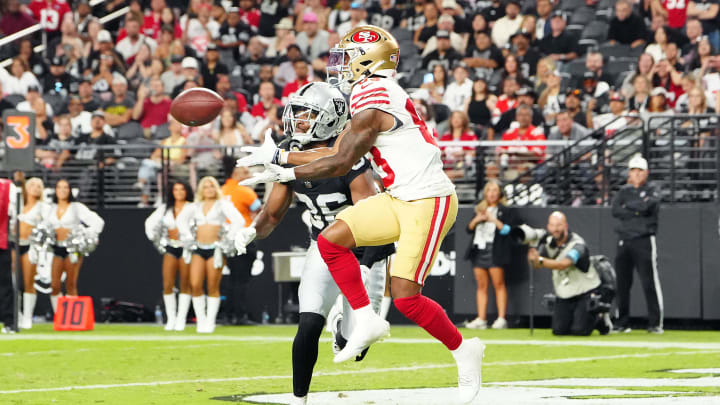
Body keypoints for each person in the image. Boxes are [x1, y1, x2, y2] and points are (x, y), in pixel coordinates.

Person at [237, 26, 484, 404]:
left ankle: (463, 349)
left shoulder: (373, 96)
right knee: (330, 239)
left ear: (368, 60)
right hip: (401, 196)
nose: (342, 64)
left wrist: (285, 166)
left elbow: (341, 160)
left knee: (406, 298)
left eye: (348, 56)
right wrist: (283, 159)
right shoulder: (371, 90)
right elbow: (337, 151)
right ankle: (366, 317)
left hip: (428, 200)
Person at [235, 82, 390, 405]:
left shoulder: (349, 151)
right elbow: (273, 213)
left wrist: (365, 262)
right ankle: (298, 398)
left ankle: (343, 326)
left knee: (355, 346)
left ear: (331, 119)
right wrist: (251, 231)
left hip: (362, 246)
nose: (299, 121)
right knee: (308, 321)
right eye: (298, 113)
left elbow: (374, 217)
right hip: (323, 244)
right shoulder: (289, 149)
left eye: (308, 115)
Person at [178, 176, 245, 333]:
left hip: (216, 249)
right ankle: (201, 321)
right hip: (198, 248)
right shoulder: (194, 206)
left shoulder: (223, 204)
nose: (209, 189)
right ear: (201, 189)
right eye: (206, 186)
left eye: (212, 186)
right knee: (195, 284)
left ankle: (210, 321)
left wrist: (228, 238)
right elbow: (181, 220)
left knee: (213, 286)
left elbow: (239, 220)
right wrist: (187, 236)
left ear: (216, 188)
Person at [527, 211, 608, 336]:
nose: (556, 229)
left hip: (584, 291)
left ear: (566, 226)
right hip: (564, 293)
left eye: (559, 225)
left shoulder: (578, 244)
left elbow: (564, 264)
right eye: (553, 226)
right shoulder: (548, 243)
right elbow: (536, 265)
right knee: (559, 331)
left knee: (579, 331)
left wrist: (540, 260)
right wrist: (532, 255)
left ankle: (599, 319)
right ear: (548, 227)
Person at [611, 155, 664, 334]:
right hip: (624, 240)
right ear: (629, 173)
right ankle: (622, 322)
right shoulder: (623, 192)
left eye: (640, 170)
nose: (637, 174)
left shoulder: (653, 189)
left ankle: (655, 322)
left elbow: (648, 207)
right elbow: (616, 209)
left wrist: (630, 209)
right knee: (622, 283)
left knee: (649, 282)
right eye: (633, 170)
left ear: (646, 173)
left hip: (644, 239)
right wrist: (637, 209)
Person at [44, 179, 104, 313]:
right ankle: (58, 315)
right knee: (54, 285)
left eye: (66, 187)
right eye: (59, 187)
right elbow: (44, 226)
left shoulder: (77, 207)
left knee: (71, 283)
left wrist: (87, 234)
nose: (62, 190)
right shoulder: (50, 208)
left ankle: (72, 315)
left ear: (70, 190)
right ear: (56, 190)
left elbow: (97, 222)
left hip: (73, 249)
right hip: (56, 248)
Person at [144, 180, 195, 331]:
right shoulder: (165, 208)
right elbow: (149, 223)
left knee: (185, 283)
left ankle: (181, 319)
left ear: (187, 192)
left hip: (187, 247)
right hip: (170, 247)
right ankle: (171, 318)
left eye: (182, 189)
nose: (179, 193)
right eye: (175, 190)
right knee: (168, 284)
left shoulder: (192, 207)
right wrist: (156, 239)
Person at [464, 180, 513, 330]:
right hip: (479, 249)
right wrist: (478, 219)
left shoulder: (505, 210)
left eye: (494, 190)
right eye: (489, 190)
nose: (491, 193)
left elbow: (507, 230)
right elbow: (469, 229)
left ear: (500, 193)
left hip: (495, 250)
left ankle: (501, 318)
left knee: (499, 284)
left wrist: (492, 219)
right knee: (481, 285)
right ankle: (481, 318)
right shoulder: (479, 209)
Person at [221, 162, 261, 325]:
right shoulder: (245, 191)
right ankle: (240, 315)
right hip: (243, 238)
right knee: (242, 279)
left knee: (231, 279)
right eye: (245, 172)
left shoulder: (222, 191)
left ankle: (228, 314)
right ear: (236, 174)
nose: (249, 175)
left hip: (226, 238)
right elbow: (260, 211)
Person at [15, 177, 50, 330]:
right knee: (12, 282)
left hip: (30, 246)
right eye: (33, 185)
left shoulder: (43, 207)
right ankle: (17, 314)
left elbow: (47, 225)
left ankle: (28, 317)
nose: (36, 188)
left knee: (28, 282)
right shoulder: (17, 203)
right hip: (14, 244)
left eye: (39, 186)